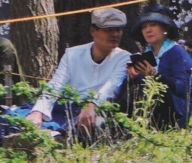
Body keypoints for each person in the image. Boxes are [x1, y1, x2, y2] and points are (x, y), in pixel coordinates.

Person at [17, 8, 133, 139]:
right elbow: (56, 84)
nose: (115, 35)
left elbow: (111, 87)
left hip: (95, 110)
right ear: (93, 31)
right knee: (17, 118)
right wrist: (38, 111)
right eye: (108, 30)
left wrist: (92, 104)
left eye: (118, 30)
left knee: (87, 129)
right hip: (65, 106)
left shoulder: (125, 58)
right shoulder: (72, 54)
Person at [139, 6, 192, 130]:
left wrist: (155, 76)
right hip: (148, 106)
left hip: (175, 107)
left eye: (153, 25)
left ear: (165, 28)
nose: (148, 30)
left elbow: (182, 87)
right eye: (144, 27)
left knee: (161, 93)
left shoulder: (177, 53)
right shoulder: (146, 54)